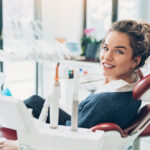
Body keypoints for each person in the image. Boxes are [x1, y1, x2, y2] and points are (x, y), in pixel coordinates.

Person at [0, 19, 150, 150]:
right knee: (34, 101)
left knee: (19, 114)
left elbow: (70, 142)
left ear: (135, 61)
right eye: (106, 48)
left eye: (119, 52)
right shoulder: (133, 84)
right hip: (76, 125)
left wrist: (20, 145)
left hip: (67, 136)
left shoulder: (104, 102)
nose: (106, 57)